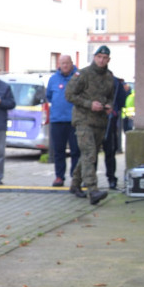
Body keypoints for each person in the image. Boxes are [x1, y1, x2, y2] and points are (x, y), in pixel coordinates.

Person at [65, 46, 116, 205]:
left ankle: (75, 184)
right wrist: (89, 104)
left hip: (100, 122)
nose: (101, 60)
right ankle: (93, 190)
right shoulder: (84, 74)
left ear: (108, 60)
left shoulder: (109, 76)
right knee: (90, 154)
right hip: (83, 120)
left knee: (87, 155)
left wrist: (108, 106)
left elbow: (110, 96)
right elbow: (69, 94)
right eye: (99, 56)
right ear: (94, 57)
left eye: (105, 58)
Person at [46, 55, 80, 188]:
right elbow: (49, 96)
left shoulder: (79, 77)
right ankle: (59, 177)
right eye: (62, 63)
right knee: (58, 151)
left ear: (72, 63)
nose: (65, 65)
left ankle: (75, 177)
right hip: (57, 120)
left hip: (74, 121)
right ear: (59, 65)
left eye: (67, 63)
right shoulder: (53, 79)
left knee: (75, 151)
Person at [103, 77, 132, 190]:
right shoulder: (89, 77)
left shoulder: (115, 81)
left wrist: (114, 110)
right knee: (92, 152)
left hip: (110, 120)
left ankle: (111, 178)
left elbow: (121, 101)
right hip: (94, 121)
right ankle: (90, 180)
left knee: (110, 151)